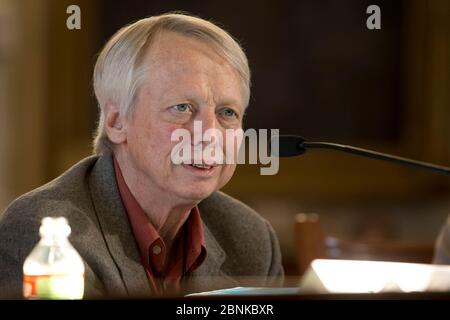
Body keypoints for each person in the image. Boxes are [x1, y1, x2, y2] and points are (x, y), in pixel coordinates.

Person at [0, 13, 283, 298]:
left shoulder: (251, 238)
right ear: (116, 122)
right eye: (182, 107)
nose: (210, 133)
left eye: (227, 113)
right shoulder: (46, 236)